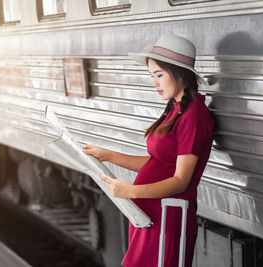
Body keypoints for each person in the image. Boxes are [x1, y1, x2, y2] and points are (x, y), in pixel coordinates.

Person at [82, 34, 214, 267]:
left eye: (159, 75)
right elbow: (158, 163)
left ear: (180, 73)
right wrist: (108, 155)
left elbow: (181, 181)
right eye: (152, 76)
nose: (155, 83)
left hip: (168, 218)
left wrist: (133, 191)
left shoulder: (194, 116)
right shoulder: (175, 109)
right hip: (151, 217)